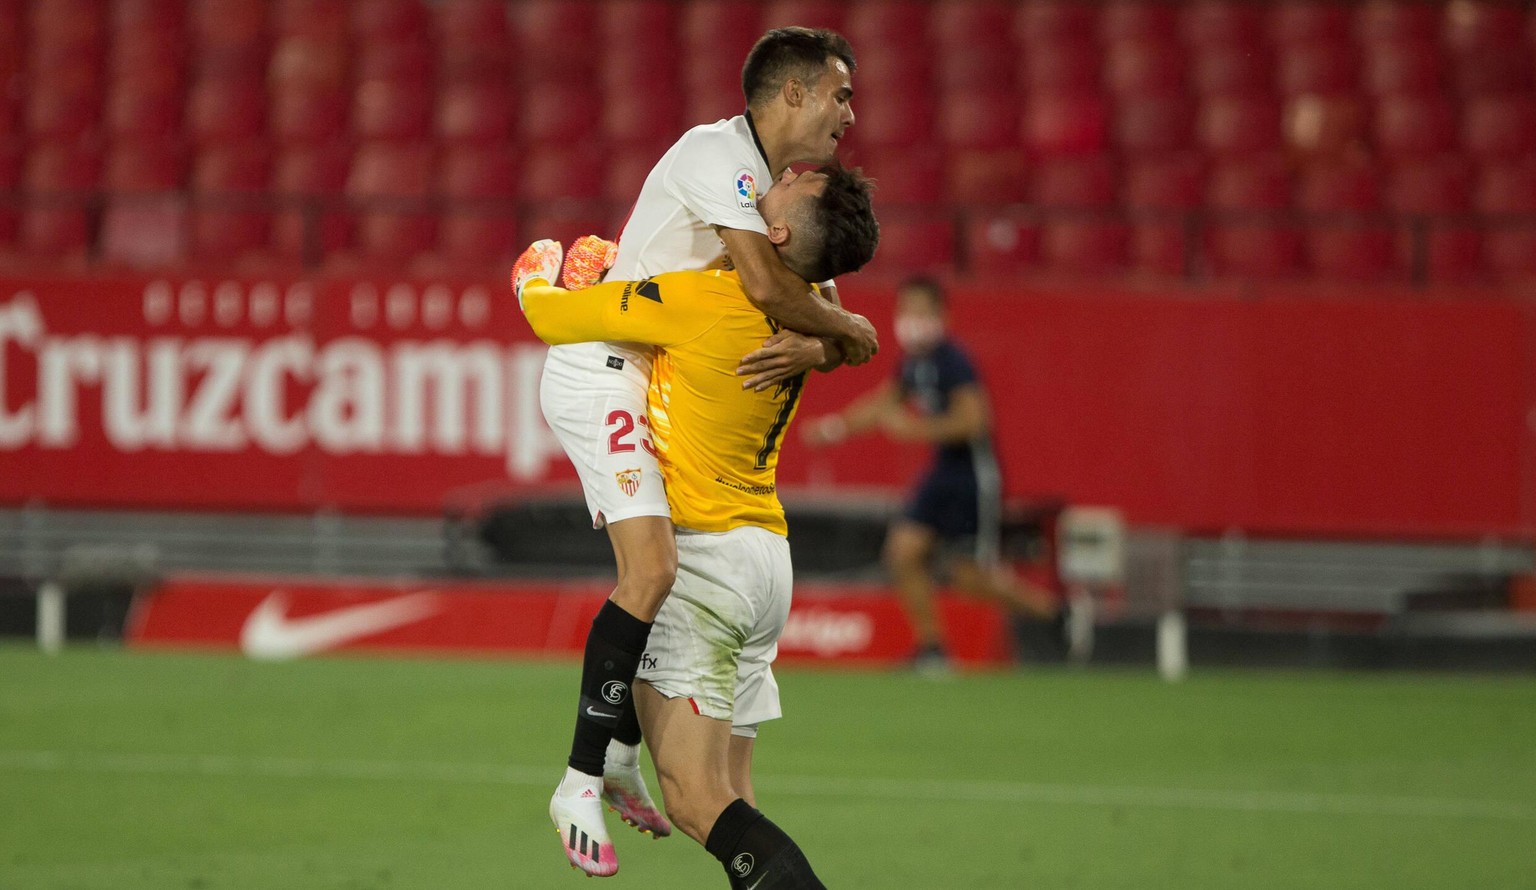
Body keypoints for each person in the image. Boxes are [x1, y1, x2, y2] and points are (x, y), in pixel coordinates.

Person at [538, 27, 878, 878]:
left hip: (660, 383)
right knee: (647, 572)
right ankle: (593, 768)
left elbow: (798, 294)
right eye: (839, 94)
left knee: (710, 796)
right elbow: (777, 290)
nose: (849, 114)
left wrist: (832, 338)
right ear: (792, 94)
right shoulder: (718, 158)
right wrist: (845, 334)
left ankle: (595, 767)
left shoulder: (775, 217)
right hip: (613, 370)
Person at [802, 277, 1061, 674]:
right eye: (907, 311)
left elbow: (974, 421)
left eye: (922, 311)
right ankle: (933, 649)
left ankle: (1054, 615)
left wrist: (915, 430)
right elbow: (883, 404)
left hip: (972, 476)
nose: (912, 320)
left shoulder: (952, 360)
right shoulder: (913, 363)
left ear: (942, 317)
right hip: (941, 472)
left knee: (969, 577)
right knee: (902, 554)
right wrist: (834, 428)